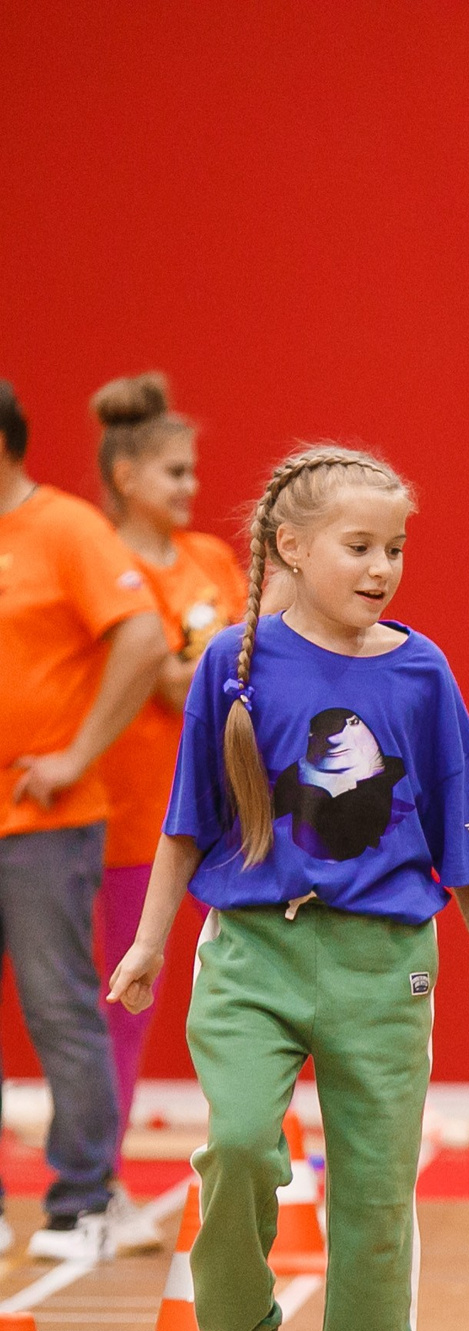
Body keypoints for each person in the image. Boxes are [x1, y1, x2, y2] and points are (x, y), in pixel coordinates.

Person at [105, 444, 469, 1331]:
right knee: (239, 1144)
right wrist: (150, 941)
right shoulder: (230, 668)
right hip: (254, 950)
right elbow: (188, 821)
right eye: (360, 545)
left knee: (375, 1185)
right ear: (291, 545)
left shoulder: (422, 671)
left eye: (397, 549)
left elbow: (460, 812)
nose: (382, 567)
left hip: (386, 960)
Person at [0, 378, 172, 1263]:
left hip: (44, 821)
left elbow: (143, 638)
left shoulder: (64, 527)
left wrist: (73, 755)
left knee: (59, 1005)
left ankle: (80, 1202)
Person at [88, 373, 250, 1252]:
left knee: (182, 991)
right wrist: (197, 674)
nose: (191, 489)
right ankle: (93, 1178)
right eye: (174, 474)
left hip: (204, 819)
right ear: (126, 477)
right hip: (115, 812)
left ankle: (104, 1172)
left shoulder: (211, 563)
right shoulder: (102, 562)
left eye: (192, 472)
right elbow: (174, 677)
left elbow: (242, 663)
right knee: (100, 1000)